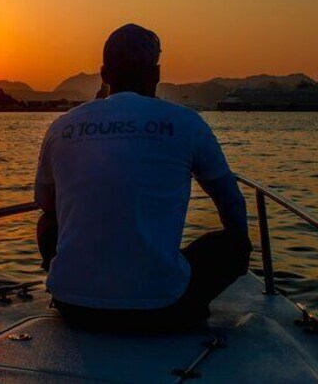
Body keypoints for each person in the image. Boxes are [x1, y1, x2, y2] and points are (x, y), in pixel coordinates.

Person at [35, 24, 252, 331]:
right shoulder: (186, 123)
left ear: (104, 73)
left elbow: (45, 202)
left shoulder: (63, 126)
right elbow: (229, 199)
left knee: (48, 220)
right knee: (233, 245)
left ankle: (78, 283)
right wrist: (237, 245)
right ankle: (163, 285)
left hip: (74, 307)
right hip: (163, 309)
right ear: (156, 74)